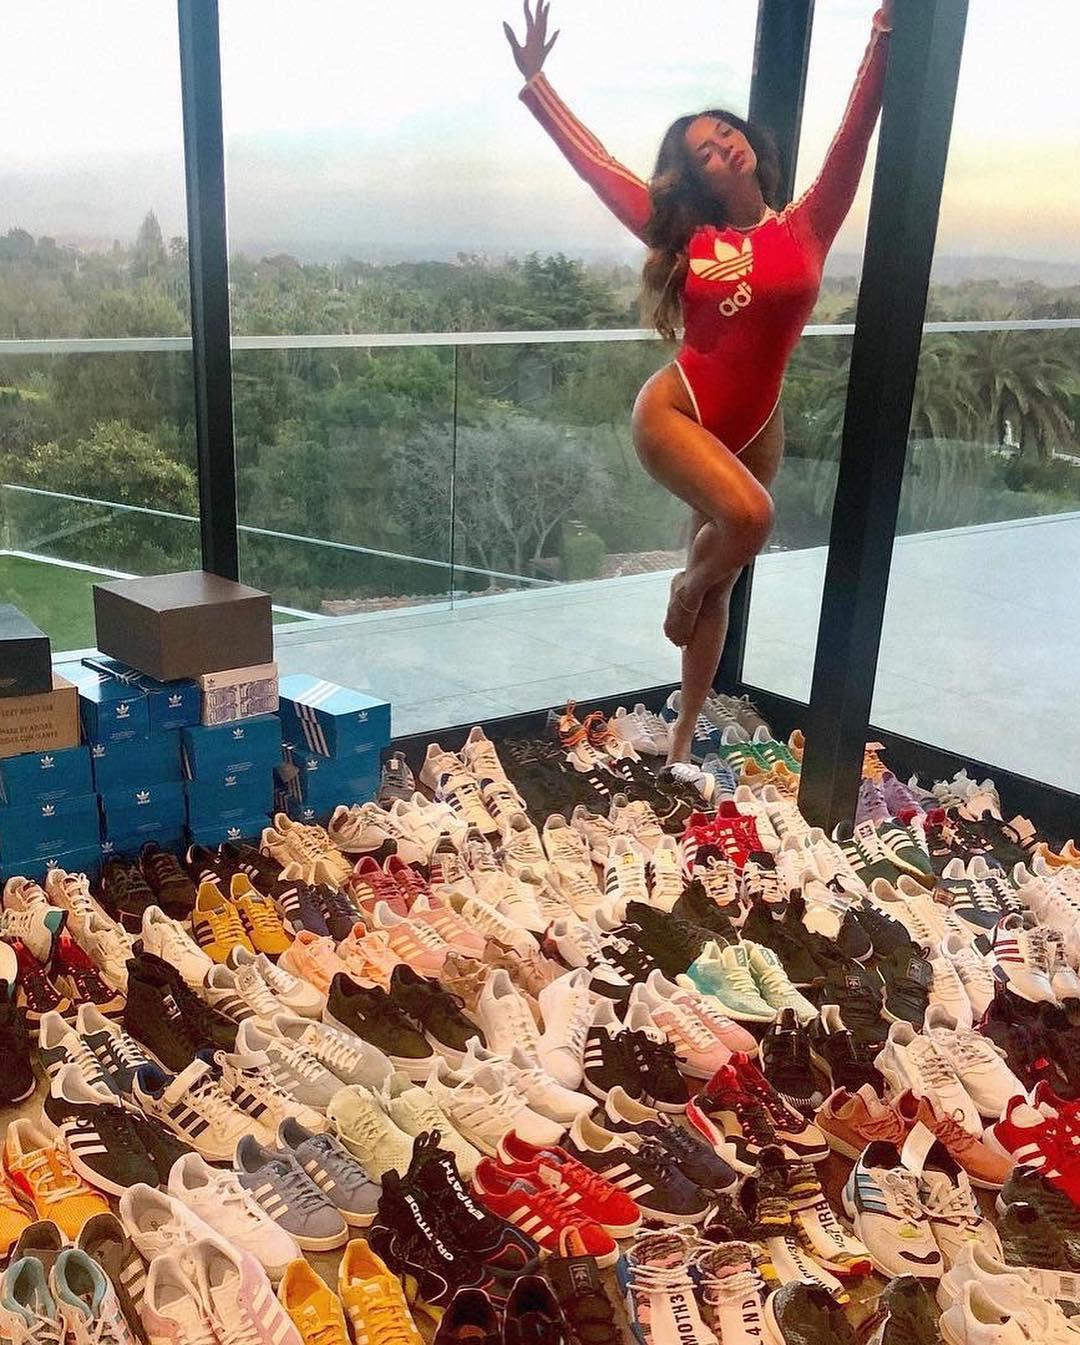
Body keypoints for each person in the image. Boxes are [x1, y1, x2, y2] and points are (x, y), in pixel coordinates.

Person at [504, 0, 894, 764]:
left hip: (758, 422)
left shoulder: (806, 225)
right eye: (705, 151)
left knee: (722, 583)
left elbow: (854, 135)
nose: (723, 147)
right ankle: (681, 590)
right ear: (696, 178)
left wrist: (882, 33)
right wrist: (537, 83)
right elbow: (600, 168)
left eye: (726, 132)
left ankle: (682, 739)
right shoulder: (689, 234)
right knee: (749, 519)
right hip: (676, 412)